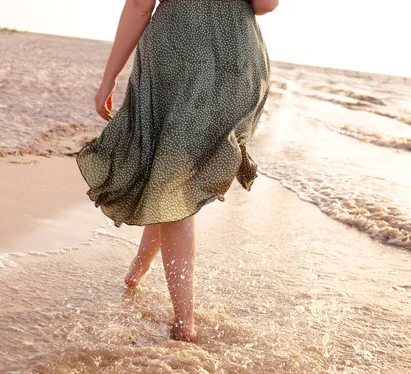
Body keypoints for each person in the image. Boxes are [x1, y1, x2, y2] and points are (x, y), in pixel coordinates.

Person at [76, 0, 278, 342]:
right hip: (239, 60)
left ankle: (185, 324)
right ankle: (137, 271)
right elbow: (266, 5)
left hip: (178, 55)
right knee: (172, 171)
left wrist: (108, 78)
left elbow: (140, 6)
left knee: (170, 170)